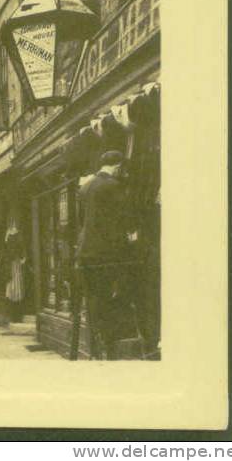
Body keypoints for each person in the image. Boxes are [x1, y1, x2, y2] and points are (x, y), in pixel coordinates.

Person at [74, 150, 137, 360]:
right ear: (117, 166)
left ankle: (95, 349)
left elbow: (82, 223)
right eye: (122, 169)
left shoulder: (84, 188)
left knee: (93, 301)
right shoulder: (113, 186)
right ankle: (111, 349)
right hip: (105, 255)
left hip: (85, 254)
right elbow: (121, 221)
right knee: (112, 299)